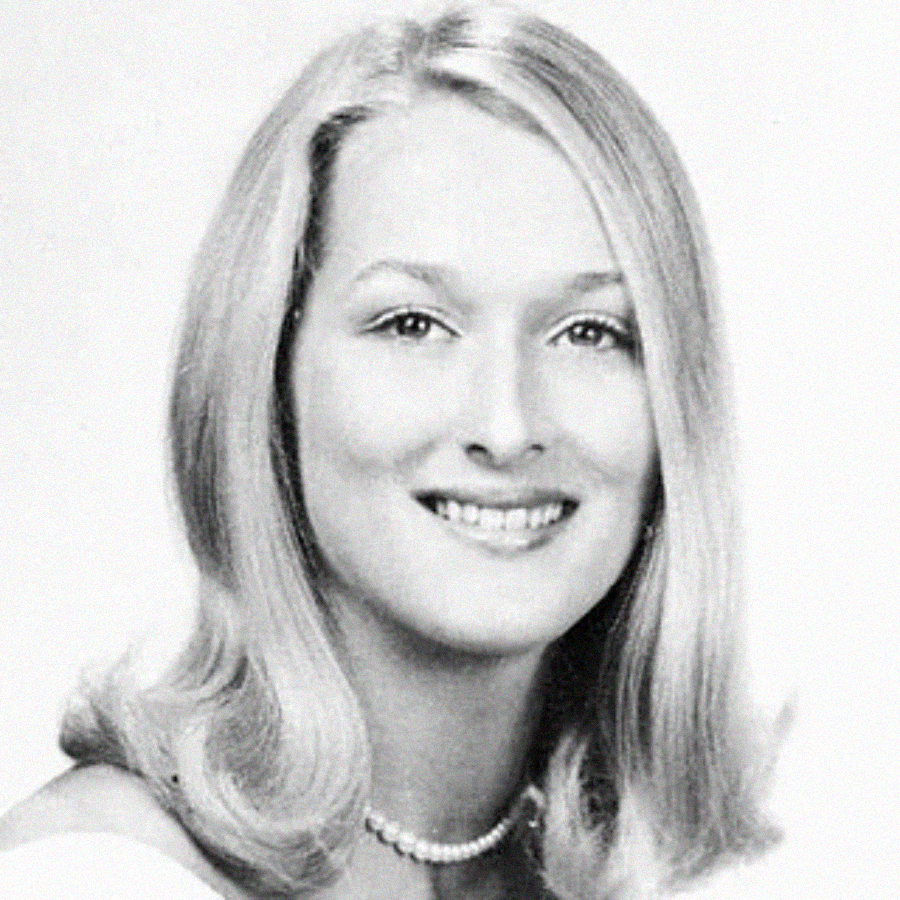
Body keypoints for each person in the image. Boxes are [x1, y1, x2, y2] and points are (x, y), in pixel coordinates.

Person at [0, 3, 779, 898]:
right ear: (267, 376)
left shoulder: (633, 872)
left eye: (589, 332)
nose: (507, 422)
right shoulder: (97, 879)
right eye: (413, 323)